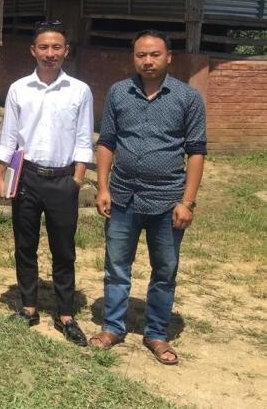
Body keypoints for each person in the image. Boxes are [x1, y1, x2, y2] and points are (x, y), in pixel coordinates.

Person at [90, 30, 206, 365]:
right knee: (116, 267)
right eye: (141, 55)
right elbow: (107, 141)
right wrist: (103, 187)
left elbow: (196, 151)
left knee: (165, 271)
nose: (148, 61)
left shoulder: (187, 98)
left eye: (155, 54)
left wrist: (187, 201)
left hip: (168, 201)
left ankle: (156, 333)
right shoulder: (118, 93)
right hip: (123, 196)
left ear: (169, 56)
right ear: (133, 58)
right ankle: (112, 327)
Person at [0, 20, 93, 346]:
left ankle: (66, 314)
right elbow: (9, 135)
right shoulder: (19, 89)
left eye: (56, 47)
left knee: (63, 250)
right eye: (44, 47)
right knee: (25, 246)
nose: (50, 54)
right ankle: (28, 306)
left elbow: (83, 139)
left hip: (63, 180)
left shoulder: (79, 90)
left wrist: (77, 180)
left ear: (66, 50)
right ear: (33, 50)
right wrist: (0, 172)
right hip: (27, 178)